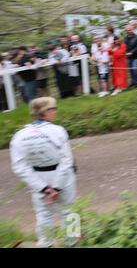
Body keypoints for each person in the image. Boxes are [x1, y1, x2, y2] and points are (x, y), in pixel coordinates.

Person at [10, 97, 77, 248]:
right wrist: (57, 187)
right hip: (63, 177)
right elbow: (66, 161)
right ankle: (73, 243)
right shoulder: (58, 131)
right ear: (45, 112)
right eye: (54, 109)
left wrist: (43, 188)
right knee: (69, 211)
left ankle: (46, 244)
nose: (55, 112)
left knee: (43, 214)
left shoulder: (20, 136)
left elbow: (19, 166)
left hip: (38, 177)